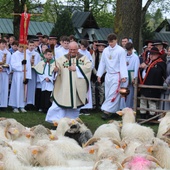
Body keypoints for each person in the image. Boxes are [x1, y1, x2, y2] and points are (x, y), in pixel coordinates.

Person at [45, 41, 92, 122]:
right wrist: (55, 70)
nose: (72, 51)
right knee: (58, 105)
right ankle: (55, 120)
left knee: (74, 107)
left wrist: (76, 68)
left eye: (74, 49)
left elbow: (89, 67)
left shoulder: (83, 58)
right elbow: (55, 66)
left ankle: (72, 121)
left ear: (78, 49)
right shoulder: (62, 58)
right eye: (70, 49)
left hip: (77, 87)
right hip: (64, 86)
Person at [97, 33, 128, 120]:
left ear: (116, 40)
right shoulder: (106, 50)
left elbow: (122, 63)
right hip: (108, 75)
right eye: (109, 42)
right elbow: (102, 63)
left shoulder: (120, 50)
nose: (110, 44)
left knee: (113, 93)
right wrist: (99, 74)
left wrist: (124, 75)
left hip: (116, 75)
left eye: (112, 42)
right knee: (108, 93)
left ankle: (106, 112)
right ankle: (115, 111)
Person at [138, 47, 166, 119]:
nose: (151, 56)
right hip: (144, 85)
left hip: (153, 86)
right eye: (150, 54)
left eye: (153, 54)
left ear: (157, 55)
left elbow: (158, 73)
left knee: (152, 102)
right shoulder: (148, 62)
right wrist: (142, 67)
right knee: (143, 101)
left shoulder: (160, 63)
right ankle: (143, 116)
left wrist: (147, 68)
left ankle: (152, 117)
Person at [8, 45, 32, 113]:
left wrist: (27, 77)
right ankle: (14, 106)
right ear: (18, 47)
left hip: (24, 74)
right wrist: (20, 63)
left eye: (23, 47)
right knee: (16, 89)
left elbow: (29, 67)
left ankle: (22, 105)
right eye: (20, 47)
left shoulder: (26, 55)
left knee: (23, 91)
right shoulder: (15, 55)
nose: (22, 49)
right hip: (18, 74)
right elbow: (12, 65)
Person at [34, 49, 55, 113]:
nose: (50, 56)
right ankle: (43, 108)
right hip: (44, 81)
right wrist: (44, 78)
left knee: (49, 94)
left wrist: (50, 78)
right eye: (48, 55)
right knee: (43, 94)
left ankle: (49, 108)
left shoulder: (54, 63)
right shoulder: (41, 63)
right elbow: (39, 71)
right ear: (45, 55)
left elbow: (55, 72)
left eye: (51, 55)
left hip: (51, 82)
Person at [78, 39, 94, 115]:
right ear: (80, 45)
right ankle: (80, 107)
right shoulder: (77, 53)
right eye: (82, 46)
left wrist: (87, 69)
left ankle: (86, 108)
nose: (83, 48)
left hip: (86, 75)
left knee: (86, 91)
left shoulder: (88, 54)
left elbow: (91, 64)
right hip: (78, 74)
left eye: (85, 47)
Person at [91, 42, 107, 110]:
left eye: (102, 46)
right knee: (93, 90)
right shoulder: (94, 54)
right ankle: (94, 104)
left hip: (103, 74)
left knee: (102, 90)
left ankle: (101, 104)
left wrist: (101, 73)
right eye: (99, 46)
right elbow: (92, 64)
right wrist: (96, 73)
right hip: (94, 74)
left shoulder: (106, 54)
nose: (101, 48)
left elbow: (107, 65)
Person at [26, 40, 41, 110]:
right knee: (26, 87)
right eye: (30, 45)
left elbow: (38, 63)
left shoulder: (36, 54)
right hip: (26, 72)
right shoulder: (25, 53)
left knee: (32, 87)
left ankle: (31, 102)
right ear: (27, 45)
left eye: (33, 46)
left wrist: (34, 65)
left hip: (33, 72)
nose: (32, 47)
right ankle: (25, 102)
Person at [125, 42, 140, 108]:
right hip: (124, 75)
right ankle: (122, 108)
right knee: (123, 92)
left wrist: (134, 78)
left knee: (130, 94)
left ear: (132, 49)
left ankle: (129, 107)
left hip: (131, 75)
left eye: (130, 50)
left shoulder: (135, 57)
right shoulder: (124, 56)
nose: (129, 52)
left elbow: (136, 68)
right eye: (127, 50)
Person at [0, 39, 11, 111]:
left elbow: (10, 63)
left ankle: (3, 105)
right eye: (2, 44)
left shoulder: (8, 53)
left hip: (5, 72)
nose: (4, 45)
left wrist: (8, 66)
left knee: (4, 89)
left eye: (5, 44)